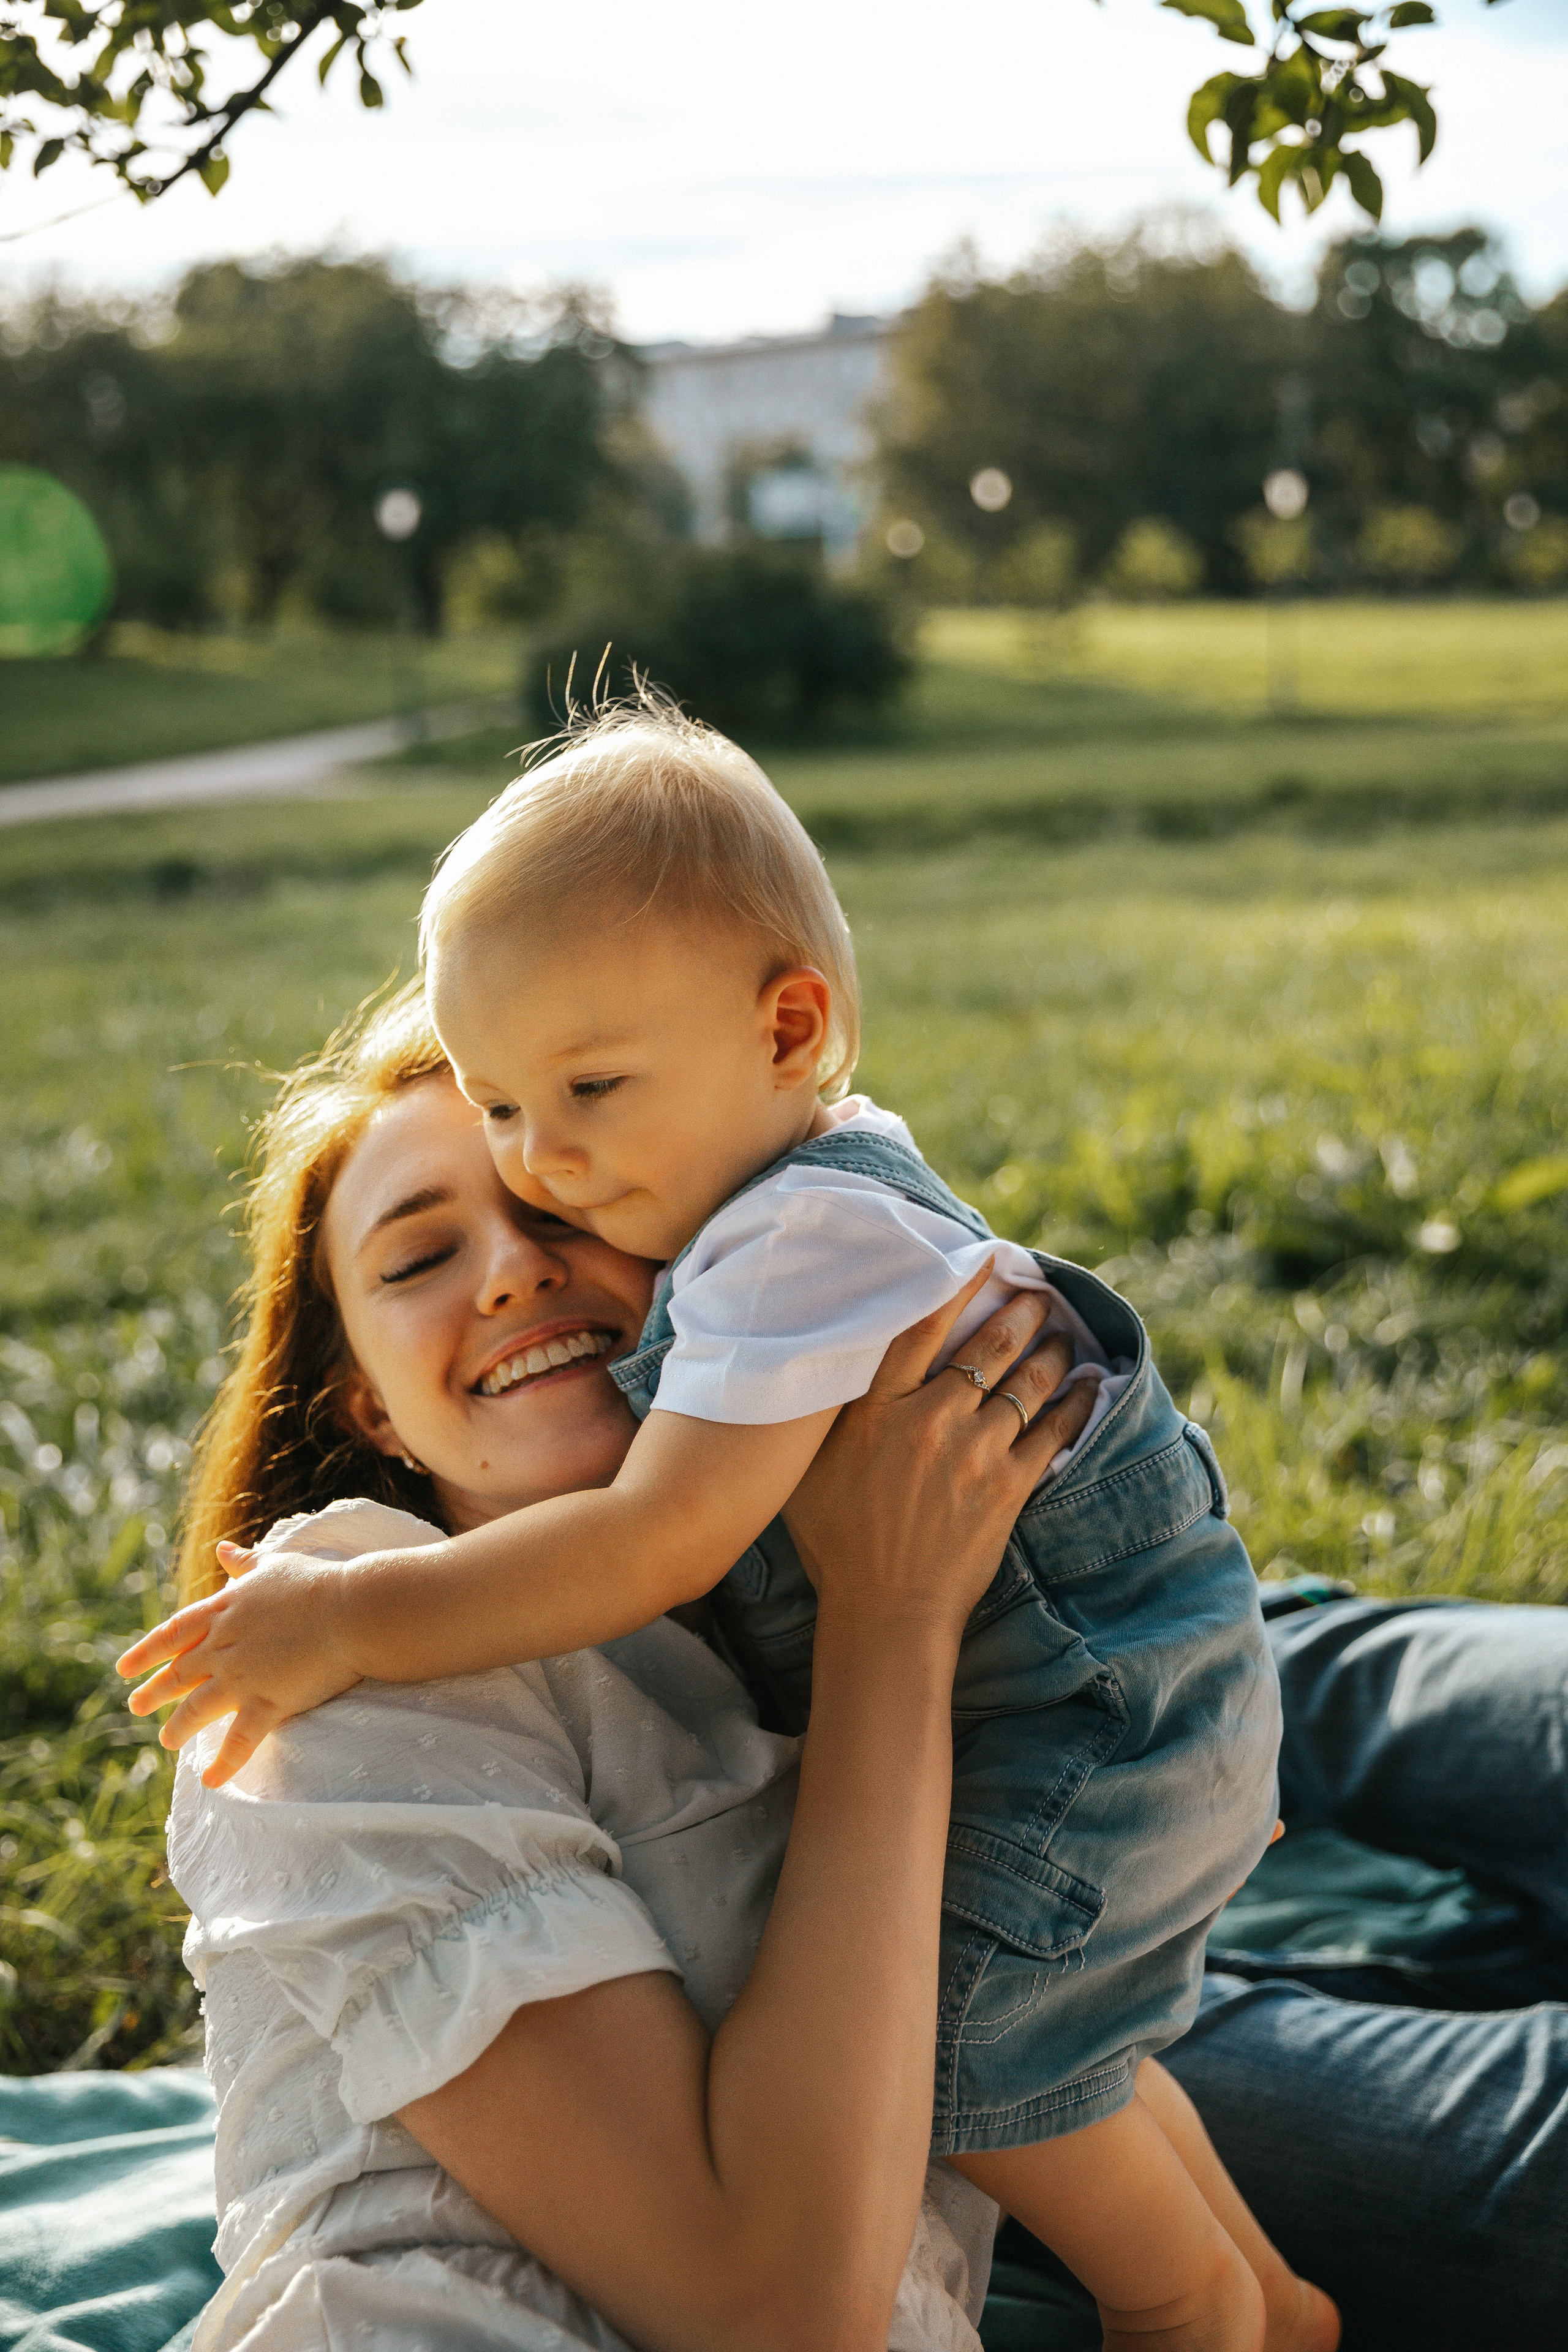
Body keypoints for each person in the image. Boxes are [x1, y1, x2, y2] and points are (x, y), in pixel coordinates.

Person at [126, 705, 1298, 2351]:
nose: (529, 1244)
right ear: (365, 1409)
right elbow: (785, 2310)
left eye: (560, 1193)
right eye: (416, 1257)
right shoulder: (346, 1629)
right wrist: (892, 1617)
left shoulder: (750, 1554)